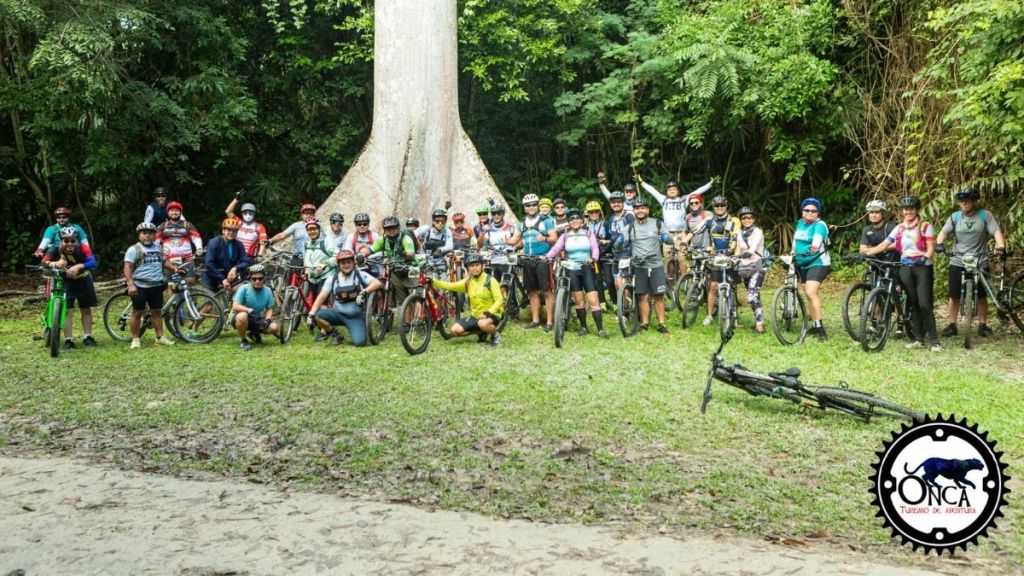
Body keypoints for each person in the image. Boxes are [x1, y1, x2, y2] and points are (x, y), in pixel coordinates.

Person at [865, 196, 940, 351]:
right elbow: (885, 244)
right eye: (906, 209)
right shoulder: (899, 228)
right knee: (913, 303)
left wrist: (925, 257)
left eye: (911, 209)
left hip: (922, 267)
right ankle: (918, 339)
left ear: (916, 210)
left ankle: (934, 340)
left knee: (924, 303)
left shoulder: (925, 226)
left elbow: (931, 247)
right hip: (905, 267)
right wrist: (868, 252)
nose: (908, 212)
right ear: (902, 211)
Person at [935, 187, 1006, 338]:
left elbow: (996, 232)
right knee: (954, 295)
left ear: (974, 201)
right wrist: (940, 244)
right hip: (958, 259)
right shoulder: (954, 217)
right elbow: (943, 233)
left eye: (967, 201)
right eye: (961, 201)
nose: (964, 204)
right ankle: (952, 325)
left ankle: (982, 325)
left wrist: (1000, 246)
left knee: (981, 295)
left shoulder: (985, 215)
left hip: (980, 260)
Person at [546, 209, 606, 337]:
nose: (574, 221)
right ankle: (583, 327)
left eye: (577, 218)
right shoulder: (565, 235)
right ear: (568, 222)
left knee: (593, 300)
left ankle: (600, 329)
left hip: (587, 267)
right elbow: (556, 248)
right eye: (571, 219)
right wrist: (547, 257)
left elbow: (595, 248)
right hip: (572, 268)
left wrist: (594, 258)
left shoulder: (589, 234)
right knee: (579, 301)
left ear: (582, 220)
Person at [615, 197, 672, 333]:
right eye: (637, 208)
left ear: (647, 210)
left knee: (659, 296)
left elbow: (671, 240)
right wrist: (618, 241)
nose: (640, 210)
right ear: (634, 210)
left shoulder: (657, 223)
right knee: (642, 296)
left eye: (642, 208)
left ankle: (661, 324)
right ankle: (645, 323)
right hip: (639, 266)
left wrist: (666, 238)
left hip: (656, 265)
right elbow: (619, 247)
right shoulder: (629, 227)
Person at [639, 177, 713, 279]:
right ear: (666, 191)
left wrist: (710, 184)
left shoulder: (684, 200)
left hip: (680, 233)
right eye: (669, 189)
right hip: (667, 233)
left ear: (678, 191)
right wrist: (642, 183)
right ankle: (671, 280)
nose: (672, 191)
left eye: (674, 189)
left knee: (681, 257)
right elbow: (653, 191)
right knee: (668, 257)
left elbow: (697, 192)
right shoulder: (663, 199)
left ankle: (684, 279)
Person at [429, 252, 505, 346]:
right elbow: (450, 286)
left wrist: (488, 312)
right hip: (475, 316)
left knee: (483, 324)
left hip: (492, 314)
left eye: (477, 265)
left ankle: (495, 334)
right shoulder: (468, 282)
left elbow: (499, 300)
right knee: (454, 330)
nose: (474, 268)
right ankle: (480, 332)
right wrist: (433, 281)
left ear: (482, 266)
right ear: (467, 268)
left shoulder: (490, 280)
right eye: (471, 266)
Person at [310, 250, 384, 346]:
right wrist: (311, 313)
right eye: (343, 263)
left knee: (359, 342)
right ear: (339, 265)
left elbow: (377, 283)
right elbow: (322, 296)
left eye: (349, 262)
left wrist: (364, 292)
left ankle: (356, 329)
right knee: (317, 315)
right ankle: (334, 334)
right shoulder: (332, 279)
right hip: (338, 314)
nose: (346, 265)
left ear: (353, 263)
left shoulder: (360, 275)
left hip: (356, 316)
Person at [41, 227, 98, 349]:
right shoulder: (55, 248)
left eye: (73, 241)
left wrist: (78, 266)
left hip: (83, 280)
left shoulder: (83, 248)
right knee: (67, 311)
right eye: (66, 241)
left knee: (86, 309)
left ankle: (87, 336)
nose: (70, 244)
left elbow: (93, 262)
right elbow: (44, 261)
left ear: (76, 240)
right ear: (61, 241)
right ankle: (68, 339)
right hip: (65, 281)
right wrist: (54, 263)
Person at [123, 222, 177, 349]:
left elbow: (164, 262)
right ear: (139, 235)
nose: (147, 236)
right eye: (144, 233)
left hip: (156, 285)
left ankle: (160, 337)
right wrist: (130, 284)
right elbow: (128, 267)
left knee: (157, 312)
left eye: (150, 234)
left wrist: (175, 269)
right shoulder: (133, 250)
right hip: (140, 285)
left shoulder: (158, 248)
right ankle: (135, 339)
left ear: (154, 235)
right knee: (137, 313)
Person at [792, 197, 831, 341]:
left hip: (818, 262)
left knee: (811, 292)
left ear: (817, 213)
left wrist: (811, 250)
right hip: (802, 262)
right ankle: (814, 324)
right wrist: (792, 255)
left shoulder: (820, 225)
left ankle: (821, 329)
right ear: (802, 212)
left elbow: (816, 243)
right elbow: (795, 242)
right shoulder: (800, 223)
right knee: (808, 294)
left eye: (813, 211)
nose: (810, 213)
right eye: (806, 210)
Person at [516, 194, 556, 331]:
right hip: (528, 259)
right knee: (532, 291)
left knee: (547, 291)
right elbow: (516, 240)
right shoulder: (521, 224)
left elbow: (554, 239)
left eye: (534, 204)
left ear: (537, 206)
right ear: (525, 208)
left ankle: (550, 322)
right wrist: (505, 243)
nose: (531, 207)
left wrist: (544, 238)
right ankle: (535, 320)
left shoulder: (546, 221)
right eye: (528, 205)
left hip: (543, 259)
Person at [364, 215, 418, 312]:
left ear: (398, 228)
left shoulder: (405, 239)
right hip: (396, 269)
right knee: (402, 300)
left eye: (394, 228)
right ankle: (405, 324)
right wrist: (361, 255)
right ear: (384, 230)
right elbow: (370, 249)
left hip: (410, 268)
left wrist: (404, 253)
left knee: (416, 295)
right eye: (388, 229)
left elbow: (411, 254)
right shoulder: (382, 239)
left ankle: (422, 317)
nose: (391, 231)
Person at [702, 195, 741, 327]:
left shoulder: (734, 220)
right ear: (713, 207)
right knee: (713, 286)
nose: (719, 208)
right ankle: (709, 315)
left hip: (730, 255)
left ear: (726, 206)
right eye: (717, 206)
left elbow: (735, 236)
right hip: (717, 256)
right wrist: (684, 241)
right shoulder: (710, 221)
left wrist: (731, 248)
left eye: (722, 205)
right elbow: (695, 231)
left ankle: (734, 313)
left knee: (732, 285)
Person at [230, 263, 279, 351]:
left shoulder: (268, 290)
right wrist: (247, 309)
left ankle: (254, 333)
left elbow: (269, 308)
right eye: (254, 279)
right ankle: (244, 340)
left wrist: (267, 319)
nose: (257, 281)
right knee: (242, 316)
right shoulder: (243, 288)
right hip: (239, 316)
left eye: (260, 278)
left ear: (264, 279)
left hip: (255, 318)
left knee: (274, 328)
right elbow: (235, 306)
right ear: (250, 279)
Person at [303, 217, 338, 337]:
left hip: (326, 275)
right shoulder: (307, 242)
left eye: (314, 229)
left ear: (319, 229)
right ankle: (322, 323)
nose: (312, 231)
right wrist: (305, 269)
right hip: (313, 277)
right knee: (315, 301)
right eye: (309, 229)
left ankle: (324, 331)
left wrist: (325, 264)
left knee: (322, 302)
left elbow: (337, 256)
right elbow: (306, 257)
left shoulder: (326, 241)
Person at [735, 207, 766, 334]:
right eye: (744, 218)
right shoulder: (739, 233)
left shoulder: (758, 231)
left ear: (753, 219)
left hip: (757, 266)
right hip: (745, 267)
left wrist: (749, 252)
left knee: (751, 295)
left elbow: (754, 246)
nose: (746, 220)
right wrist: (734, 257)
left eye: (749, 217)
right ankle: (759, 320)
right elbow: (738, 249)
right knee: (753, 295)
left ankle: (760, 325)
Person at [477, 204, 521, 287]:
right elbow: (479, 245)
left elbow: (520, 243)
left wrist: (514, 247)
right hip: (493, 260)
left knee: (508, 284)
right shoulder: (488, 228)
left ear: (503, 214)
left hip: (508, 259)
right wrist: (482, 233)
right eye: (494, 214)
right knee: (492, 285)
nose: (496, 216)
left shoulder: (511, 228)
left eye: (499, 213)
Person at [202, 217, 250, 293]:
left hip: (228, 277)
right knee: (209, 303)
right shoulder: (214, 242)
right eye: (228, 230)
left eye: (234, 231)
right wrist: (222, 279)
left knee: (239, 294)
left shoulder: (238, 244)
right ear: (223, 230)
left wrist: (235, 268)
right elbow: (208, 264)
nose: (231, 233)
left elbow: (246, 261)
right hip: (212, 276)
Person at [584, 200, 615, 311]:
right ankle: (602, 303)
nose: (593, 214)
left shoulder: (605, 224)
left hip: (605, 254)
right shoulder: (584, 226)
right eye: (591, 212)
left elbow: (611, 239)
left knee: (609, 280)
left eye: (596, 212)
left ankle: (615, 302)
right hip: (593, 256)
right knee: (598, 281)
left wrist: (604, 242)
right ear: (587, 213)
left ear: (599, 212)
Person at [606, 191, 635, 300]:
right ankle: (624, 310)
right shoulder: (611, 218)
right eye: (613, 202)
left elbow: (634, 234)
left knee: (625, 283)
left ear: (623, 203)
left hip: (628, 253)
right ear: (610, 204)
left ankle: (630, 309)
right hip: (616, 254)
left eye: (618, 202)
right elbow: (611, 237)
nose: (616, 204)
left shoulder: (629, 216)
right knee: (618, 284)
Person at [155, 201, 203, 266]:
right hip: (168, 262)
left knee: (190, 276)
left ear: (180, 212)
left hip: (187, 260)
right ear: (168, 213)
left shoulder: (187, 224)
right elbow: (156, 241)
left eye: (176, 210)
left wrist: (199, 249)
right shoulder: (163, 225)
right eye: (172, 210)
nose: (174, 212)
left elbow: (196, 238)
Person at [225, 193, 268, 259]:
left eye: (250, 213)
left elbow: (263, 243)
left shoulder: (259, 227)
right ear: (242, 214)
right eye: (245, 213)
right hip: (235, 254)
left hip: (249, 257)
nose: (248, 215)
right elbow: (228, 211)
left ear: (254, 214)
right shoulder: (238, 222)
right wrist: (236, 199)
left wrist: (260, 255)